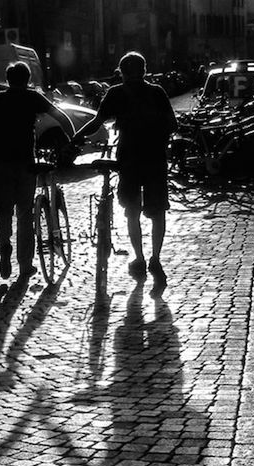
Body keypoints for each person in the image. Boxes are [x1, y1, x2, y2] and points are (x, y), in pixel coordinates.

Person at [71, 51, 178, 294]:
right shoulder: (157, 92)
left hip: (129, 159)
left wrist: (77, 138)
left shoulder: (116, 93)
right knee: (158, 211)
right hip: (155, 159)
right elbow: (173, 124)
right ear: (145, 69)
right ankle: (156, 258)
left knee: (132, 211)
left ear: (121, 71)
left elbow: (98, 122)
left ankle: (139, 258)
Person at [0, 61, 74, 280]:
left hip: (1, 164)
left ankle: (4, 244)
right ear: (27, 78)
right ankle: (25, 265)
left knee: (2, 210)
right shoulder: (32, 97)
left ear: (7, 79)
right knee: (25, 213)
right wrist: (71, 139)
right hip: (25, 163)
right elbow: (61, 116)